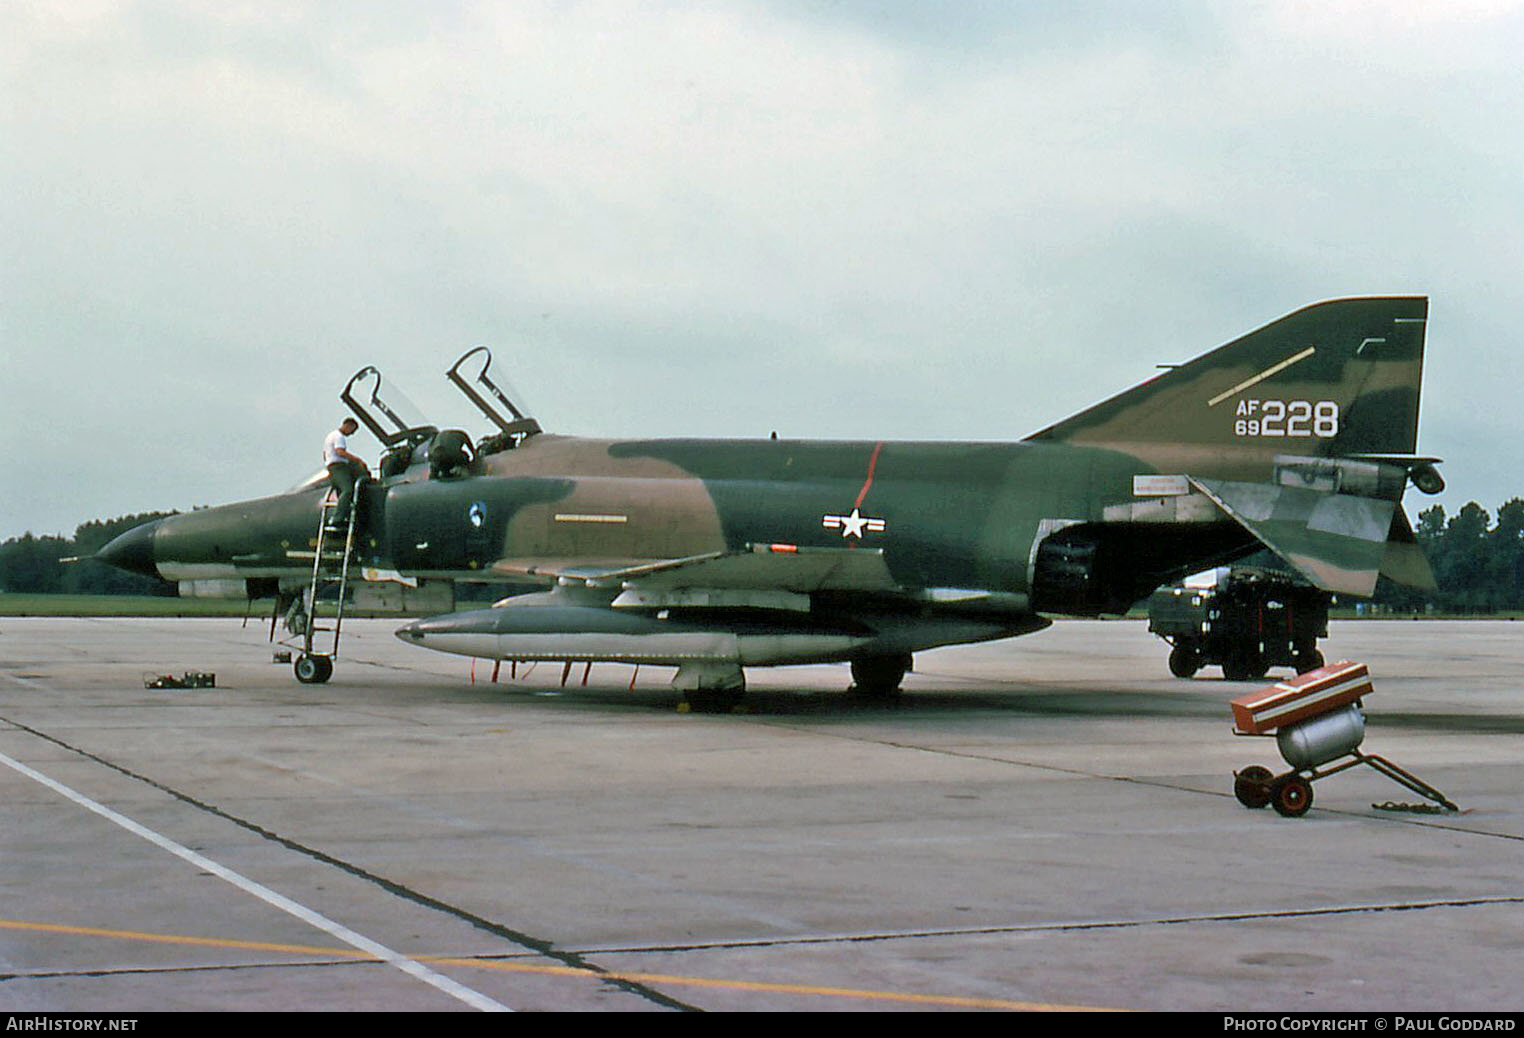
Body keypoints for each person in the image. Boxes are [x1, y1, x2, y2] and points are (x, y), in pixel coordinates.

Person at [323, 418, 370, 530]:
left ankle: (345, 514)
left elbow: (325, 454)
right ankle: (338, 518)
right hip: (338, 467)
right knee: (348, 489)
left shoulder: (330, 436)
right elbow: (340, 452)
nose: (352, 434)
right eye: (352, 431)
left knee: (342, 492)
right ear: (348, 425)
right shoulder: (339, 437)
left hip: (332, 467)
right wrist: (358, 460)